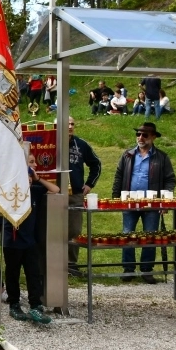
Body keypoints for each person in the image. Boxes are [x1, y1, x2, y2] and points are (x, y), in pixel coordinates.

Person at [112, 123, 176, 283]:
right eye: (138, 134)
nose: (140, 137)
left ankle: (147, 270)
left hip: (152, 203)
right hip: (129, 201)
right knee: (128, 234)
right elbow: (119, 175)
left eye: (145, 135)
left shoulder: (162, 157)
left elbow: (170, 180)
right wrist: (115, 197)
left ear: (153, 137)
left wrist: (165, 201)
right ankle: (128, 269)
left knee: (150, 236)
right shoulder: (127, 155)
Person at [4, 154, 58, 323]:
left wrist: (37, 178)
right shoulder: (9, 190)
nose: (34, 166)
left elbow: (55, 190)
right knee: (13, 273)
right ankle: (14, 304)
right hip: (12, 239)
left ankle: (36, 305)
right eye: (30, 164)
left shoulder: (35, 190)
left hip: (30, 240)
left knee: (33, 273)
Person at [58, 117, 102, 276]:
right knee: (52, 229)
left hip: (75, 195)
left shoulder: (81, 144)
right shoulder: (49, 143)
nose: (70, 126)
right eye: (67, 123)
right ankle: (52, 263)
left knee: (74, 230)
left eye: (72, 124)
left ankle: (71, 264)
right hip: (52, 194)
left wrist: (89, 184)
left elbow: (96, 164)